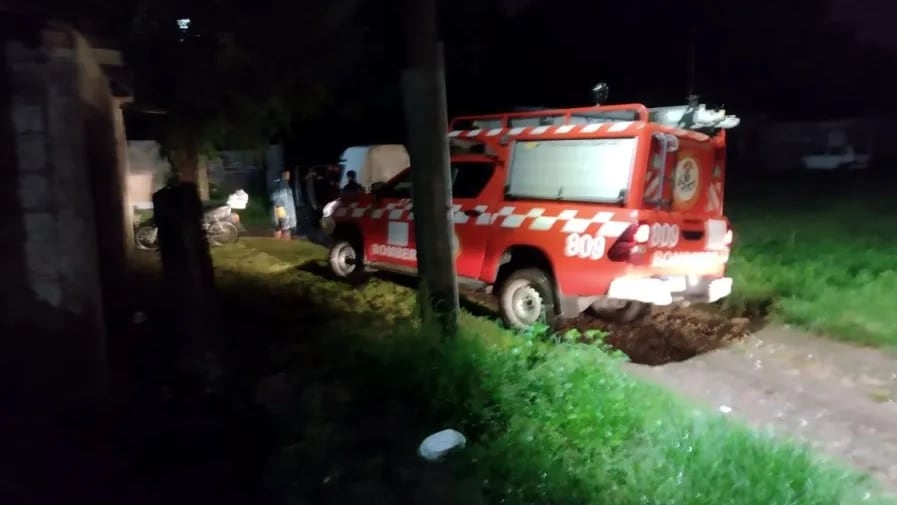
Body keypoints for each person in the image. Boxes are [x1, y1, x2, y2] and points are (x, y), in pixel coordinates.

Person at [270, 168, 297, 240]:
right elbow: (277, 200)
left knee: (284, 228)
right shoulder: (280, 185)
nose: (288, 176)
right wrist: (281, 216)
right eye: (287, 174)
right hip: (282, 210)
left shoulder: (286, 185)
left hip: (286, 211)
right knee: (281, 228)